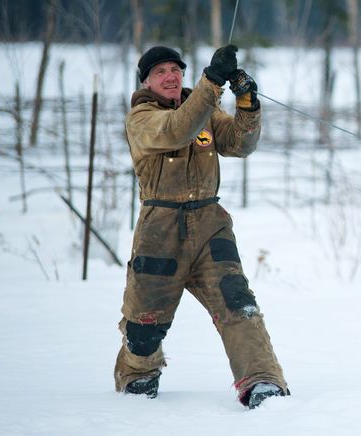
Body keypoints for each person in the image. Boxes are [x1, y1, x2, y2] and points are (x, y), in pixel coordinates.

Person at [114, 45, 288, 409]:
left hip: (211, 226)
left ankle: (261, 382)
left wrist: (246, 103)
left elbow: (240, 143)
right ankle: (138, 375)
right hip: (160, 230)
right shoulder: (142, 118)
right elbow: (177, 130)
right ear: (146, 81)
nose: (171, 76)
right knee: (144, 325)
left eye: (176, 69)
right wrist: (211, 82)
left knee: (238, 303)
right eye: (160, 71)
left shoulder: (204, 112)